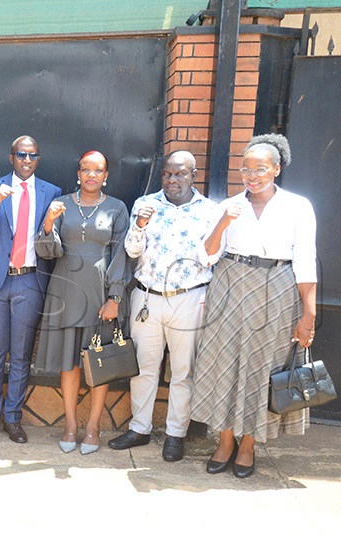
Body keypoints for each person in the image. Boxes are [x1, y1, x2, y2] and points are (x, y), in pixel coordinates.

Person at [190, 134, 317, 479]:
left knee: (263, 368)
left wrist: (309, 312)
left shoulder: (297, 206)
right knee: (224, 364)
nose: (252, 175)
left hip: (277, 288)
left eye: (260, 168)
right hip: (230, 286)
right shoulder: (229, 205)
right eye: (245, 169)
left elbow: (305, 260)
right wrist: (223, 223)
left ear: (276, 169)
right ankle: (225, 441)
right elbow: (206, 255)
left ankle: (248, 445)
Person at [107, 151, 218, 461]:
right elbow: (131, 250)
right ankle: (139, 429)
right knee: (142, 368)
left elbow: (212, 257)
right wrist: (140, 225)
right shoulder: (146, 204)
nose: (172, 180)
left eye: (180, 174)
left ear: (193, 175)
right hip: (147, 297)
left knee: (184, 371)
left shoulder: (210, 211)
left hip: (189, 297)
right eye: (168, 174)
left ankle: (175, 435)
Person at [34, 150, 129, 455]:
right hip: (66, 290)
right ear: (78, 173)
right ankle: (71, 425)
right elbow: (48, 252)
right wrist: (49, 223)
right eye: (86, 170)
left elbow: (121, 256)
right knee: (69, 363)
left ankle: (93, 426)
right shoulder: (61, 203)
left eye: (97, 170)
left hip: (100, 293)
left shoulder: (116, 208)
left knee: (98, 362)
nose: (91, 175)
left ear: (105, 175)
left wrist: (115, 296)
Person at [0, 135, 62, 443]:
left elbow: (52, 245)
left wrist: (50, 223)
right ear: (11, 157)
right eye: (21, 155)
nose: (27, 160)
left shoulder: (51, 192)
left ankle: (12, 419)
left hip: (29, 280)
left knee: (22, 355)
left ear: (38, 159)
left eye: (33, 155)